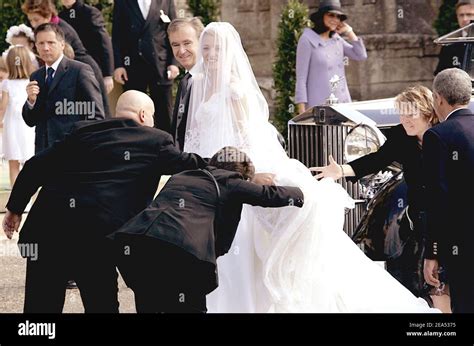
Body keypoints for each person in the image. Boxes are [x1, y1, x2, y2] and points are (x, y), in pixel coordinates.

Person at [184, 22, 439, 313]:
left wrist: (246, 175)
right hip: (206, 177)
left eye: (217, 48)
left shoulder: (235, 88)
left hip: (234, 174)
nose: (211, 54)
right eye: (206, 48)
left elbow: (247, 136)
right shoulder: (196, 87)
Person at [2, 90, 208, 313]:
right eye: (152, 116)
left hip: (49, 230)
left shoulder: (82, 130)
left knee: (40, 309)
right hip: (96, 238)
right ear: (142, 115)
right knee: (101, 305)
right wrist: (231, 165)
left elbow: (35, 166)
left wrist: (15, 210)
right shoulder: (155, 140)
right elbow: (190, 163)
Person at [111, 146, 304, 313]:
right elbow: (269, 196)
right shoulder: (232, 182)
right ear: (241, 175)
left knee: (151, 304)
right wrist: (304, 190)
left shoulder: (181, 176)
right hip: (183, 253)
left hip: (138, 243)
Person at [312, 85, 452, 312]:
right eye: (401, 113)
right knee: (417, 277)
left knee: (443, 279)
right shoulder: (400, 136)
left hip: (447, 218)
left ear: (427, 111)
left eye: (411, 114)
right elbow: (377, 160)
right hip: (418, 217)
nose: (405, 119)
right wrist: (341, 171)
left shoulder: (445, 134)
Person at [423, 68, 474, 313]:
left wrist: (433, 252)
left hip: (462, 242)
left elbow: (437, 199)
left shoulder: (438, 136)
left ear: (438, 98)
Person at [23, 23, 104, 154]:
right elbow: (30, 121)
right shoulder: (36, 76)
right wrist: (31, 101)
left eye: (51, 43)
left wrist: (83, 144)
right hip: (43, 151)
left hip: (73, 150)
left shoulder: (80, 70)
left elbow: (95, 114)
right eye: (41, 43)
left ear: (62, 45)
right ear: (36, 46)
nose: (46, 48)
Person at [22, 0, 111, 117]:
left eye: (36, 20)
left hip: (84, 72)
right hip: (71, 74)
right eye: (31, 20)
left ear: (48, 15)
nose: (33, 24)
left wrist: (108, 74)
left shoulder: (62, 31)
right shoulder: (47, 30)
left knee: (96, 115)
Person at [112, 0, 179, 132]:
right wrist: (119, 65)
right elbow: (117, 35)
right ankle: (136, 147)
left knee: (164, 113)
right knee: (134, 113)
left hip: (160, 65)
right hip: (132, 66)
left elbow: (173, 31)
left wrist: (174, 63)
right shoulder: (122, 2)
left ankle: (168, 147)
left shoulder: (166, 1)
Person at [295, 0, 367, 113]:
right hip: (319, 107)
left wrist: (349, 31)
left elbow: (361, 55)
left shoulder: (337, 39)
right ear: (321, 16)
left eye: (338, 17)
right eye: (331, 15)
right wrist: (302, 113)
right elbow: (301, 79)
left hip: (343, 104)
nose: (335, 19)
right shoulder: (307, 40)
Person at [59, 0, 114, 94]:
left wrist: (107, 74)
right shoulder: (61, 17)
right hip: (70, 71)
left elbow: (104, 43)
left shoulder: (90, 12)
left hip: (93, 69)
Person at [0, 46, 36, 187]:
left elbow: (2, 107)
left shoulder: (6, 83)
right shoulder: (32, 82)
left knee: (13, 164)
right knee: (29, 162)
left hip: (12, 126)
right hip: (28, 126)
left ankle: (17, 202)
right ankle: (28, 201)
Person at [168, 17, 204, 151]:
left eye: (187, 43)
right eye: (175, 45)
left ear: (201, 42)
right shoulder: (185, 80)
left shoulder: (209, 80)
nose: (181, 51)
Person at [434, 0, 474, 75]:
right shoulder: (450, 43)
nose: (465, 19)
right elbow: (440, 74)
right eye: (461, 15)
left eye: (469, 14)